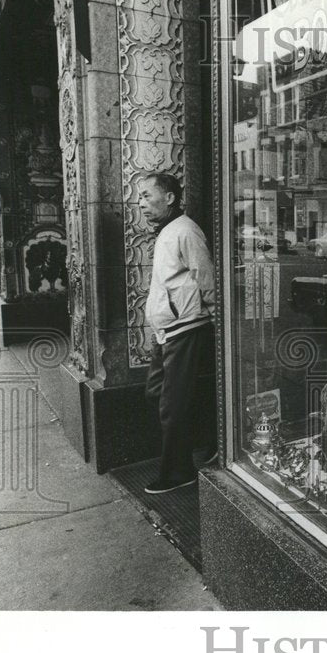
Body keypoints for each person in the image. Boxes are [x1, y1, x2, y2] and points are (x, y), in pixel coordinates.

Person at [140, 173, 217, 494]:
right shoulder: (168, 232)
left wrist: (213, 320)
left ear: (169, 198)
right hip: (168, 331)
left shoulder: (185, 231)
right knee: (158, 392)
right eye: (139, 197)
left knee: (172, 404)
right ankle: (212, 440)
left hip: (186, 328)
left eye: (147, 196)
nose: (141, 203)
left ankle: (178, 471)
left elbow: (206, 277)